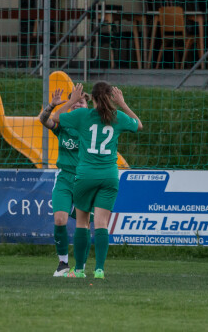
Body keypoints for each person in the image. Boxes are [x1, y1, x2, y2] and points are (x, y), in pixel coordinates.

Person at [53, 81, 142, 279]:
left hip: (85, 176)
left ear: (91, 98)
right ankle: (99, 269)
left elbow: (56, 117)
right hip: (109, 175)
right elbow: (139, 125)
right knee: (101, 223)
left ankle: (79, 270)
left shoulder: (83, 115)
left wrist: (72, 101)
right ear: (112, 98)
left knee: (82, 223)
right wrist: (123, 104)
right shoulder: (117, 117)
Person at [39, 88, 92, 277]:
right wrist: (55, 104)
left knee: (84, 224)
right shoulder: (64, 124)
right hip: (64, 177)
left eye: (82, 102)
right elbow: (44, 120)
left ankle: (81, 267)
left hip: (85, 180)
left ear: (88, 107)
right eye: (75, 101)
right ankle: (63, 264)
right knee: (59, 219)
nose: (78, 104)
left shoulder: (92, 127)